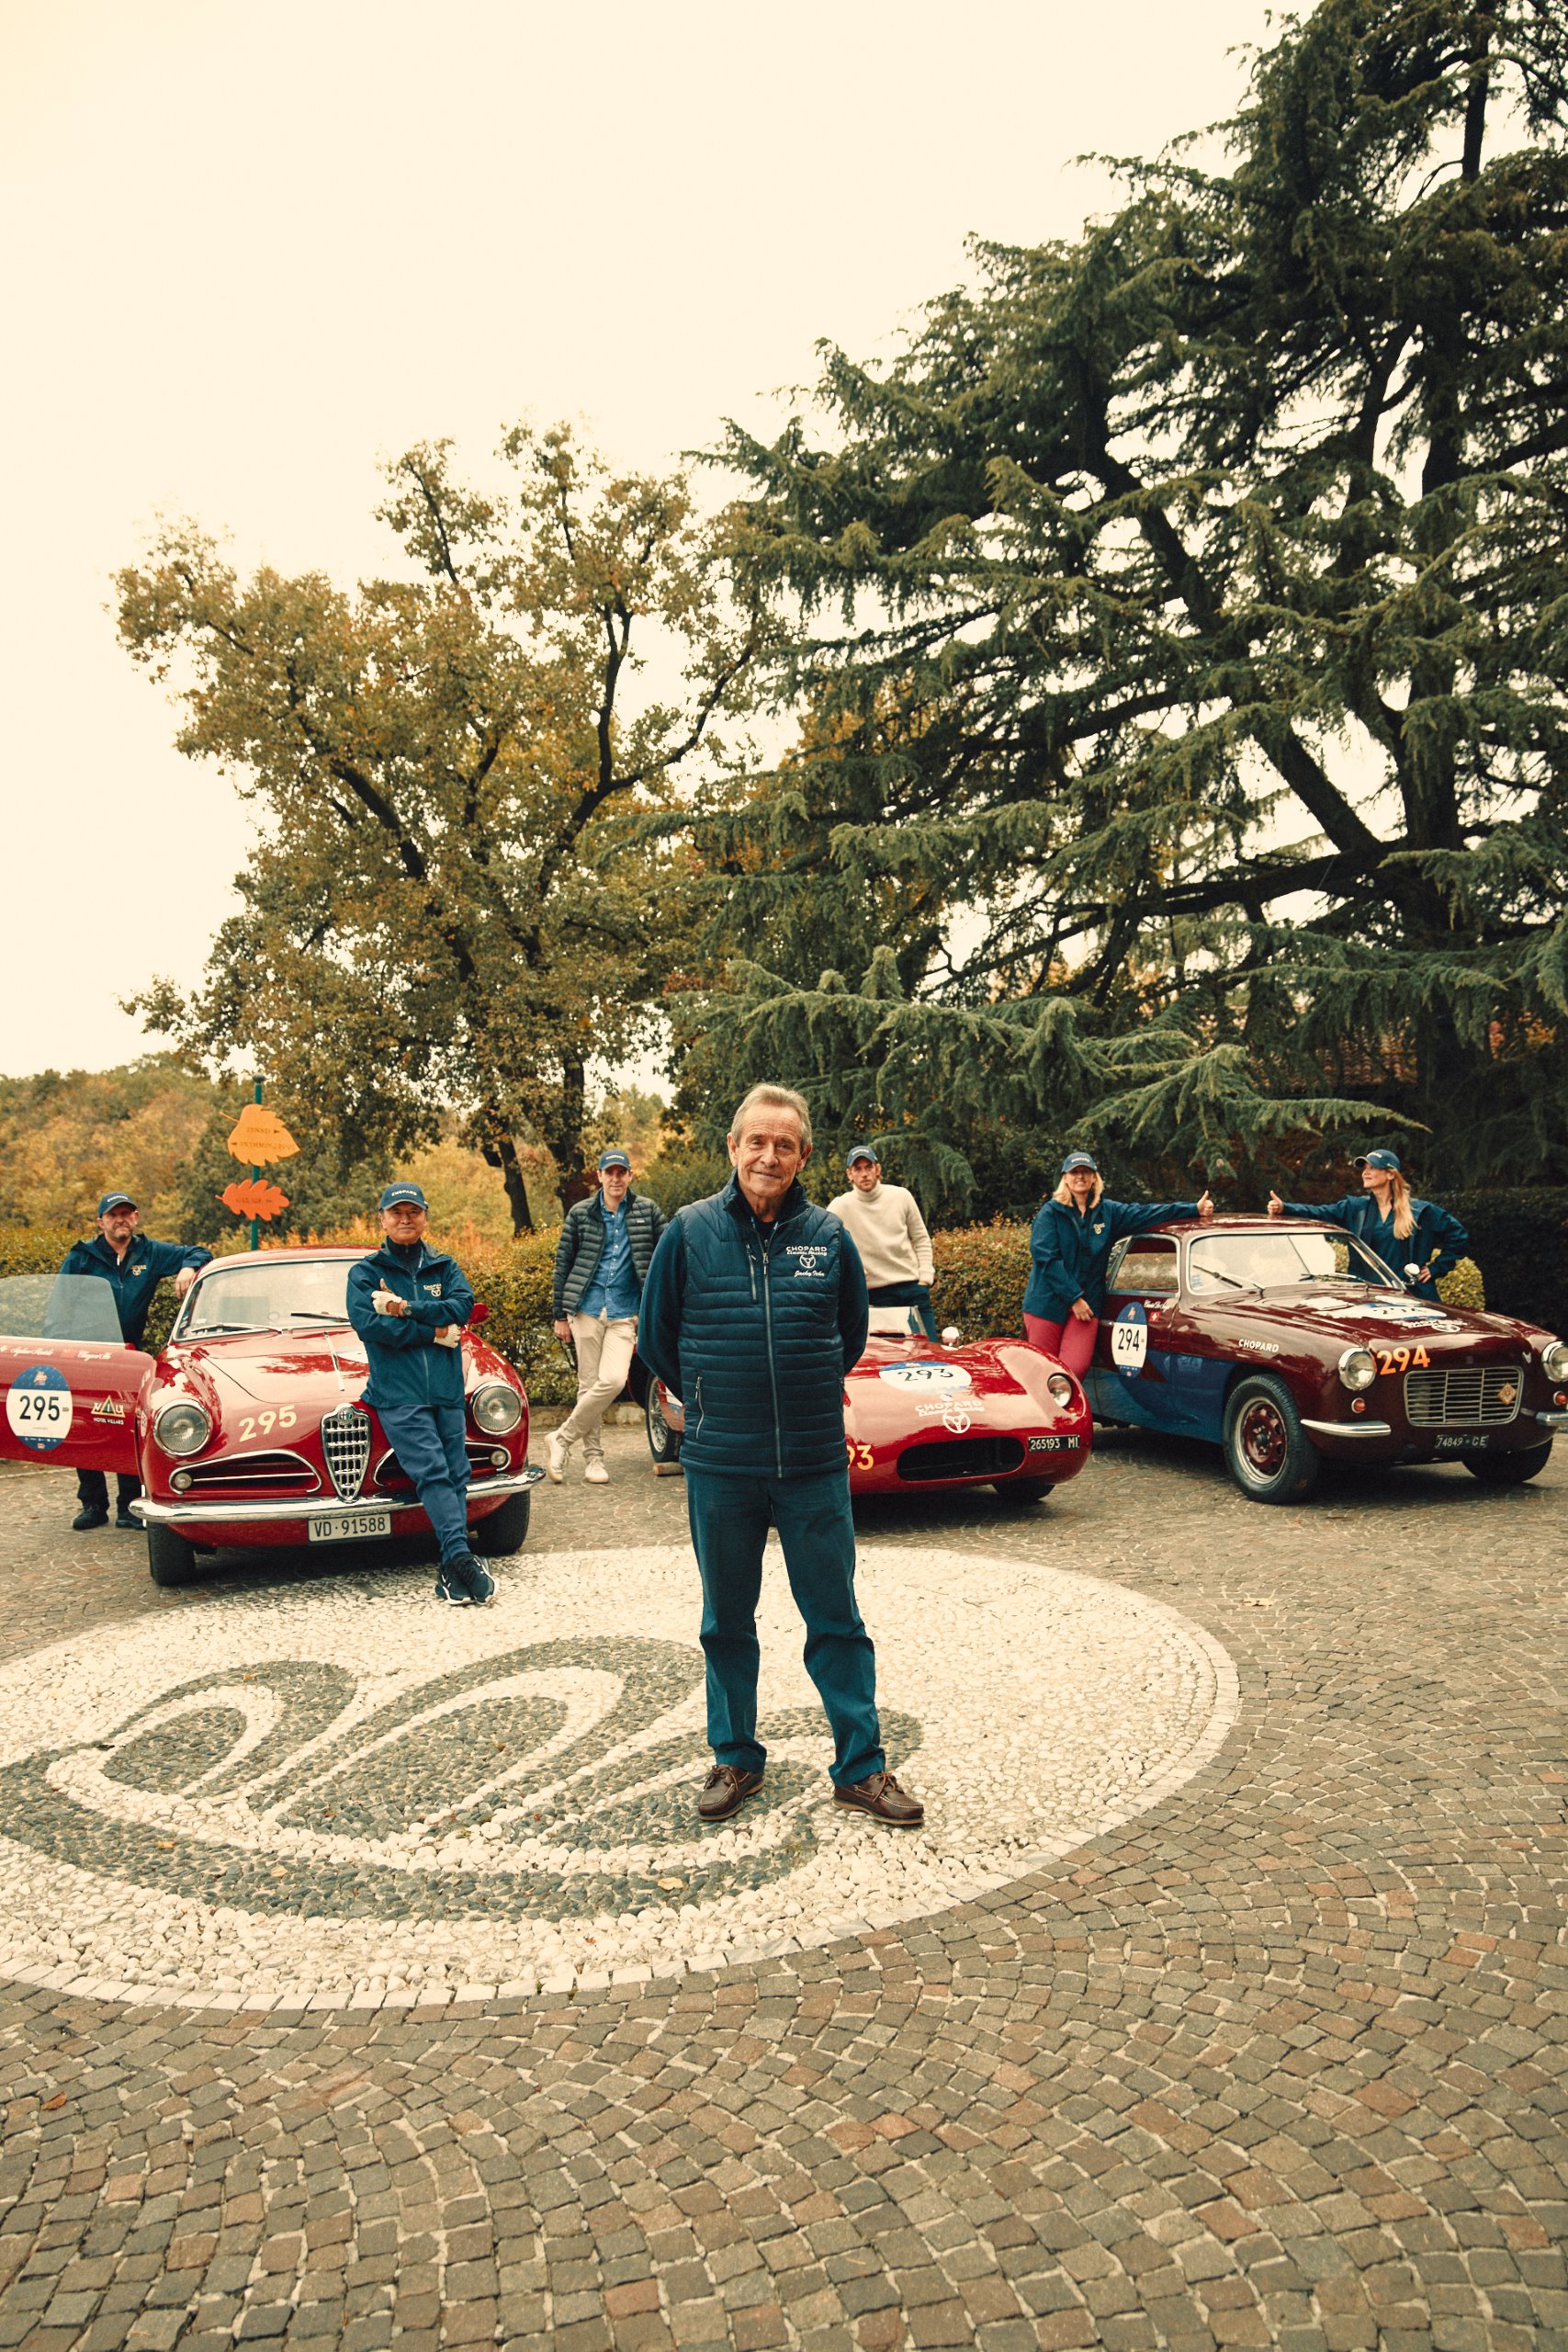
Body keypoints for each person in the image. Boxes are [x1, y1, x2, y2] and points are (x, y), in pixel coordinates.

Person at [639, 1083, 923, 1829]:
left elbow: (849, 1335)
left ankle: (859, 1768)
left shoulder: (827, 1235)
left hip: (811, 1461)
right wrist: (706, 1398)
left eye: (785, 1145)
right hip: (720, 1462)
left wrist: (804, 1391)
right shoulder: (688, 1231)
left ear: (803, 1156)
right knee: (726, 1620)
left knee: (836, 1620)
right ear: (733, 1147)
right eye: (757, 1142)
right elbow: (656, 1337)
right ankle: (734, 1756)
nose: (769, 1156)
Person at [346, 1182, 493, 1607]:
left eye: (413, 1212)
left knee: (457, 1472)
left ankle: (452, 1566)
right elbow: (371, 1326)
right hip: (398, 1392)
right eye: (397, 1212)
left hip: (446, 1388)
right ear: (382, 1219)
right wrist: (432, 1332)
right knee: (432, 1471)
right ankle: (461, 1557)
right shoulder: (365, 1272)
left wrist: (405, 1308)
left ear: (425, 1216)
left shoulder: (444, 1266)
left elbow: (460, 1308)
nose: (405, 1219)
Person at [59, 1192, 211, 1530]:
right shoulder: (81, 1257)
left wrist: (187, 1267)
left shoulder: (150, 1252)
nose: (120, 1220)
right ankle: (93, 1505)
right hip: (86, 1356)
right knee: (86, 1428)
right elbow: (60, 1307)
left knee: (127, 1429)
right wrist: (61, 1354)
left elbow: (201, 1252)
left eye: (126, 1213)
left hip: (127, 1357)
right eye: (113, 1215)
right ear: (101, 1221)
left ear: (136, 1217)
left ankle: (129, 1506)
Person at [1023, 1153, 1213, 1375]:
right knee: (1042, 1369)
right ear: (1065, 1178)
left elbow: (1146, 1213)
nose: (1080, 1176)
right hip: (1047, 1303)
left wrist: (1193, 1209)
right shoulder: (1050, 1213)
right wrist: (1073, 1298)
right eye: (1074, 1172)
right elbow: (1047, 1259)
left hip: (1088, 1305)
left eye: (1085, 1171)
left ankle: (1063, 1399)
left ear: (1094, 1178)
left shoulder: (1108, 1212)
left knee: (1075, 1367)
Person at [547, 1150, 666, 1486]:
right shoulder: (581, 1213)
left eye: (621, 1172)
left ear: (630, 1176)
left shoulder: (647, 1211)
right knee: (588, 1385)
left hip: (625, 1313)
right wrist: (559, 1315)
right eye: (609, 1172)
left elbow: (667, 1252)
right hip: (586, 1309)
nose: (615, 1178)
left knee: (612, 1381)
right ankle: (594, 1459)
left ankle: (561, 1438)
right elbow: (563, 1264)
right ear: (599, 1176)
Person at [1267, 1149, 1468, 1300]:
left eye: (1373, 1168)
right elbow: (1319, 1212)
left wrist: (1436, 1268)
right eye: (1364, 1168)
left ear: (1390, 1174)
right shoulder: (1355, 1208)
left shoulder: (1420, 1211)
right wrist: (1285, 1207)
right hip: (1368, 1297)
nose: (1365, 1172)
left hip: (1411, 1297)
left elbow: (1458, 1236)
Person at [828, 1145, 938, 1340]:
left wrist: (925, 1278)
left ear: (877, 1169)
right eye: (857, 1169)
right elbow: (826, 1245)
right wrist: (850, 1271)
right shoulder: (840, 1206)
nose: (864, 1174)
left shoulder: (901, 1196)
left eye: (868, 1167)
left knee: (929, 1351)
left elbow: (921, 1238)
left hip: (913, 1290)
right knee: (882, 1356)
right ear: (849, 1174)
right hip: (873, 1298)